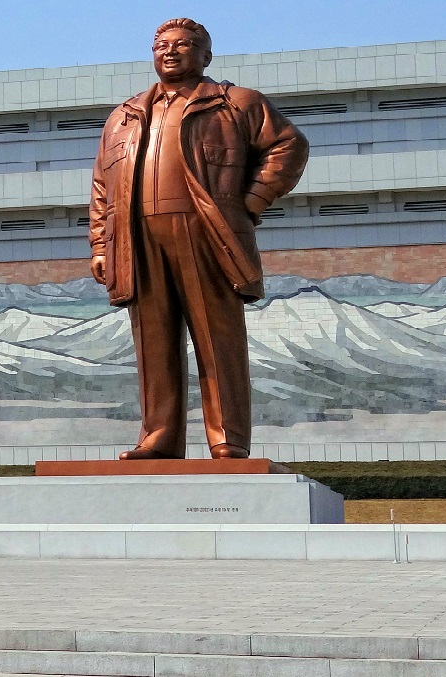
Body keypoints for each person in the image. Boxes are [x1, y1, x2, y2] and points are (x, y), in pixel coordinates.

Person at [89, 18, 308, 461]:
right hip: (136, 235)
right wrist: (100, 245)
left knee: (217, 336)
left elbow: (289, 146)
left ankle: (227, 437)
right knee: (153, 342)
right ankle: (159, 437)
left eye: (184, 45)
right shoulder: (124, 116)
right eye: (161, 45)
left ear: (206, 56)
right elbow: (101, 186)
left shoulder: (236, 103)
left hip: (207, 230)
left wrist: (250, 200)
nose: (170, 52)